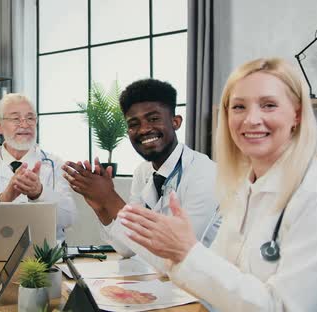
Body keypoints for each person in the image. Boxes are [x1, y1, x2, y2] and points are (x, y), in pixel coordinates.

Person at [119, 58, 317, 311]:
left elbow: (283, 308)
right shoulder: (244, 188)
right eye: (239, 107)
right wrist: (179, 253)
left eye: (268, 105)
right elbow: (218, 277)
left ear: (297, 115)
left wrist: (186, 251)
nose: (251, 119)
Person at [62, 78, 219, 257]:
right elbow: (128, 249)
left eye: (153, 119)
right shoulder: (143, 172)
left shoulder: (205, 173)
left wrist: (109, 197)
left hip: (201, 282)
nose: (144, 129)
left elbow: (176, 253)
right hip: (159, 279)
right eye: (134, 124)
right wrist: (101, 207)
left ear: (176, 122)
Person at [0, 93, 77, 241]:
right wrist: (4, 198)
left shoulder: (54, 164)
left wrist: (39, 193)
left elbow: (69, 218)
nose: (24, 124)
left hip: (45, 256)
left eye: (30, 118)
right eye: (16, 118)